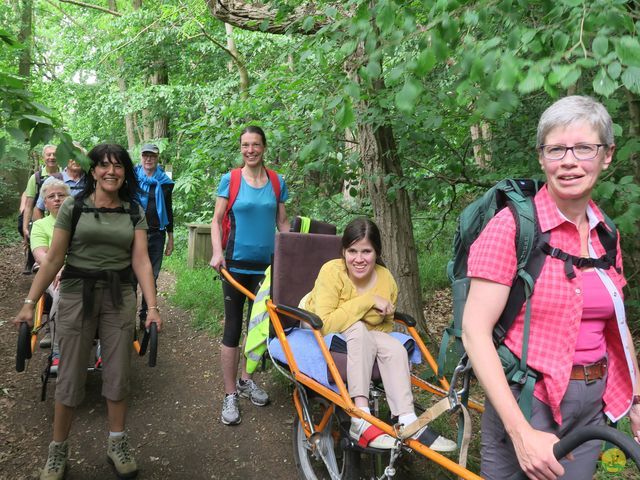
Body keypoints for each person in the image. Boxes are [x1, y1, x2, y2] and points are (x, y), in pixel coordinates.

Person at [461, 96, 640, 480]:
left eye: (584, 148)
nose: (569, 161)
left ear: (606, 155)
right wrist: (521, 432)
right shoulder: (511, 228)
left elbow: (617, 326)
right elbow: (474, 333)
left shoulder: (606, 234)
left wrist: (636, 397)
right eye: (556, 149)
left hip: (592, 402)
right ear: (542, 158)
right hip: (528, 401)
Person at [14, 143, 162, 480]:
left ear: (126, 171)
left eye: (118, 166)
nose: (111, 171)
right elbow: (52, 259)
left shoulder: (134, 210)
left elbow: (141, 261)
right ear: (93, 170)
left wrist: (151, 308)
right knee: (68, 373)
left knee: (119, 371)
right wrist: (28, 304)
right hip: (77, 295)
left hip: (119, 295)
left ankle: (117, 443)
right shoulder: (72, 206)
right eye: (104, 166)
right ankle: (58, 451)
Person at [304, 218, 456, 451]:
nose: (359, 258)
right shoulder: (331, 271)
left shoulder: (386, 280)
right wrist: (368, 302)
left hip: (359, 333)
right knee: (358, 329)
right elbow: (326, 324)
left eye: (366, 251)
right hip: (314, 321)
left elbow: (383, 328)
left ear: (377, 252)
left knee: (393, 346)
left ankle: (407, 420)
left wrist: (364, 318)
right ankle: (360, 417)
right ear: (343, 251)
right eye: (352, 251)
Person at [209, 125, 290, 426]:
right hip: (234, 266)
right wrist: (217, 253)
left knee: (259, 329)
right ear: (241, 148)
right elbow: (216, 221)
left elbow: (283, 224)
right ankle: (230, 393)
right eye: (245, 145)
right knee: (232, 328)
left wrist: (294, 257)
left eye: (255, 145)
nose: (250, 150)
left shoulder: (277, 181)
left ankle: (246, 380)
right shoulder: (229, 180)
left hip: (267, 270)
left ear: (264, 147)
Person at [30, 177, 71, 372]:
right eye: (51, 196)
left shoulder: (80, 222)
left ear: (69, 199)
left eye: (61, 195)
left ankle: (102, 348)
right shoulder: (40, 225)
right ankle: (58, 352)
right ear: (44, 203)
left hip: (80, 270)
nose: (56, 199)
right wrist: (60, 269)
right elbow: (41, 256)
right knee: (62, 294)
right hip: (50, 273)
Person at [135, 143, 174, 328]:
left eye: (152, 156)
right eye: (145, 155)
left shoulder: (164, 182)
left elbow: (168, 209)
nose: (148, 159)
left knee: (152, 275)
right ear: (141, 157)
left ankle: (145, 314)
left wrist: (171, 238)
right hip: (134, 233)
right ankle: (127, 316)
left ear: (157, 158)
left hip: (157, 234)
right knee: (131, 275)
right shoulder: (132, 178)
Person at [21, 145, 61, 273]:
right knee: (36, 234)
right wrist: (25, 226)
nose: (52, 157)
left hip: (60, 215)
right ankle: (33, 261)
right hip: (40, 213)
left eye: (54, 154)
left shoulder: (64, 174)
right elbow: (29, 204)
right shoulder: (36, 178)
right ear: (43, 158)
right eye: (48, 155)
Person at [34, 147, 87, 218]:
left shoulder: (91, 181)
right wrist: (42, 228)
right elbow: (39, 208)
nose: (76, 160)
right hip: (58, 226)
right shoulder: (52, 180)